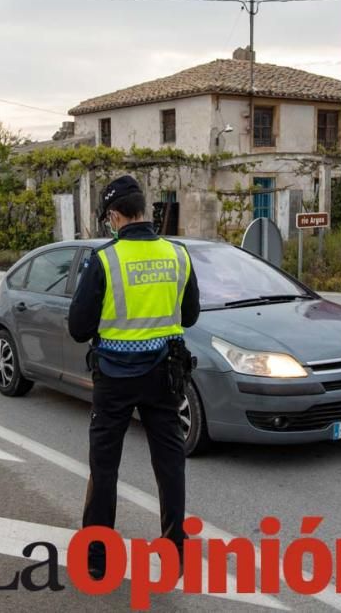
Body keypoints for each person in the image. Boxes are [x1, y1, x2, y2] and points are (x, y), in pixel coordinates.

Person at [68, 175, 200, 579]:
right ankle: (175, 550)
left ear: (114, 216)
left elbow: (78, 326)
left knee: (105, 465)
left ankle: (97, 556)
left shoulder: (104, 260)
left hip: (114, 376)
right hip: (165, 375)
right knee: (170, 462)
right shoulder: (178, 255)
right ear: (144, 211)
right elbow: (190, 314)